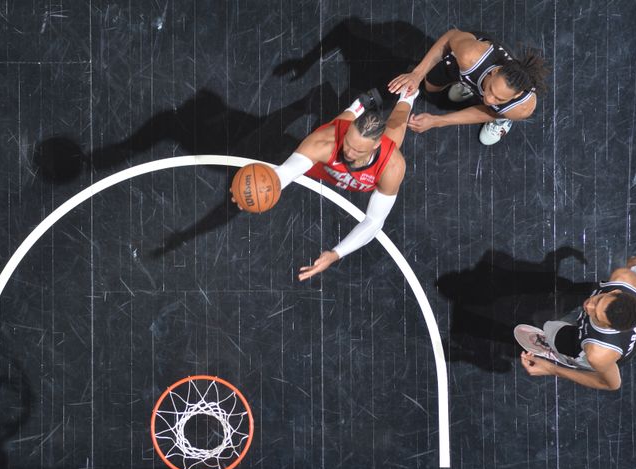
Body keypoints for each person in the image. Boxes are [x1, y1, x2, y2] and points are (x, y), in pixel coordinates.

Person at [232, 88, 419, 281]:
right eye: (348, 143)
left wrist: (336, 253)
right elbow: (285, 173)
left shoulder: (392, 166)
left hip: (371, 165)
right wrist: (250, 192)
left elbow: (374, 222)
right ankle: (359, 106)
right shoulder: (326, 141)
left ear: (375, 146)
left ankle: (408, 95)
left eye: (357, 150)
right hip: (324, 164)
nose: (348, 152)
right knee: (340, 124)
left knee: (397, 127)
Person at [387, 29, 547, 145]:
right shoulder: (470, 56)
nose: (489, 99)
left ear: (516, 95)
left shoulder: (520, 109)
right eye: (491, 89)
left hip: (491, 94)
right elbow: (451, 37)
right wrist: (417, 74)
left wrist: (437, 121)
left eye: (499, 98)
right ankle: (467, 82)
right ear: (496, 71)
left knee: (497, 112)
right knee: (430, 88)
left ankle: (502, 119)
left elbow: (487, 113)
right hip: (466, 65)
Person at [518, 256, 636, 390]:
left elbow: (612, 384)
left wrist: (551, 369)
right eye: (598, 300)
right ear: (616, 291)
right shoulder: (624, 278)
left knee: (551, 328)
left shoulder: (598, 353)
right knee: (635, 265)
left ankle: (563, 356)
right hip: (632, 308)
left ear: (609, 327)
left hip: (609, 354)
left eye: (596, 315)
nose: (588, 306)